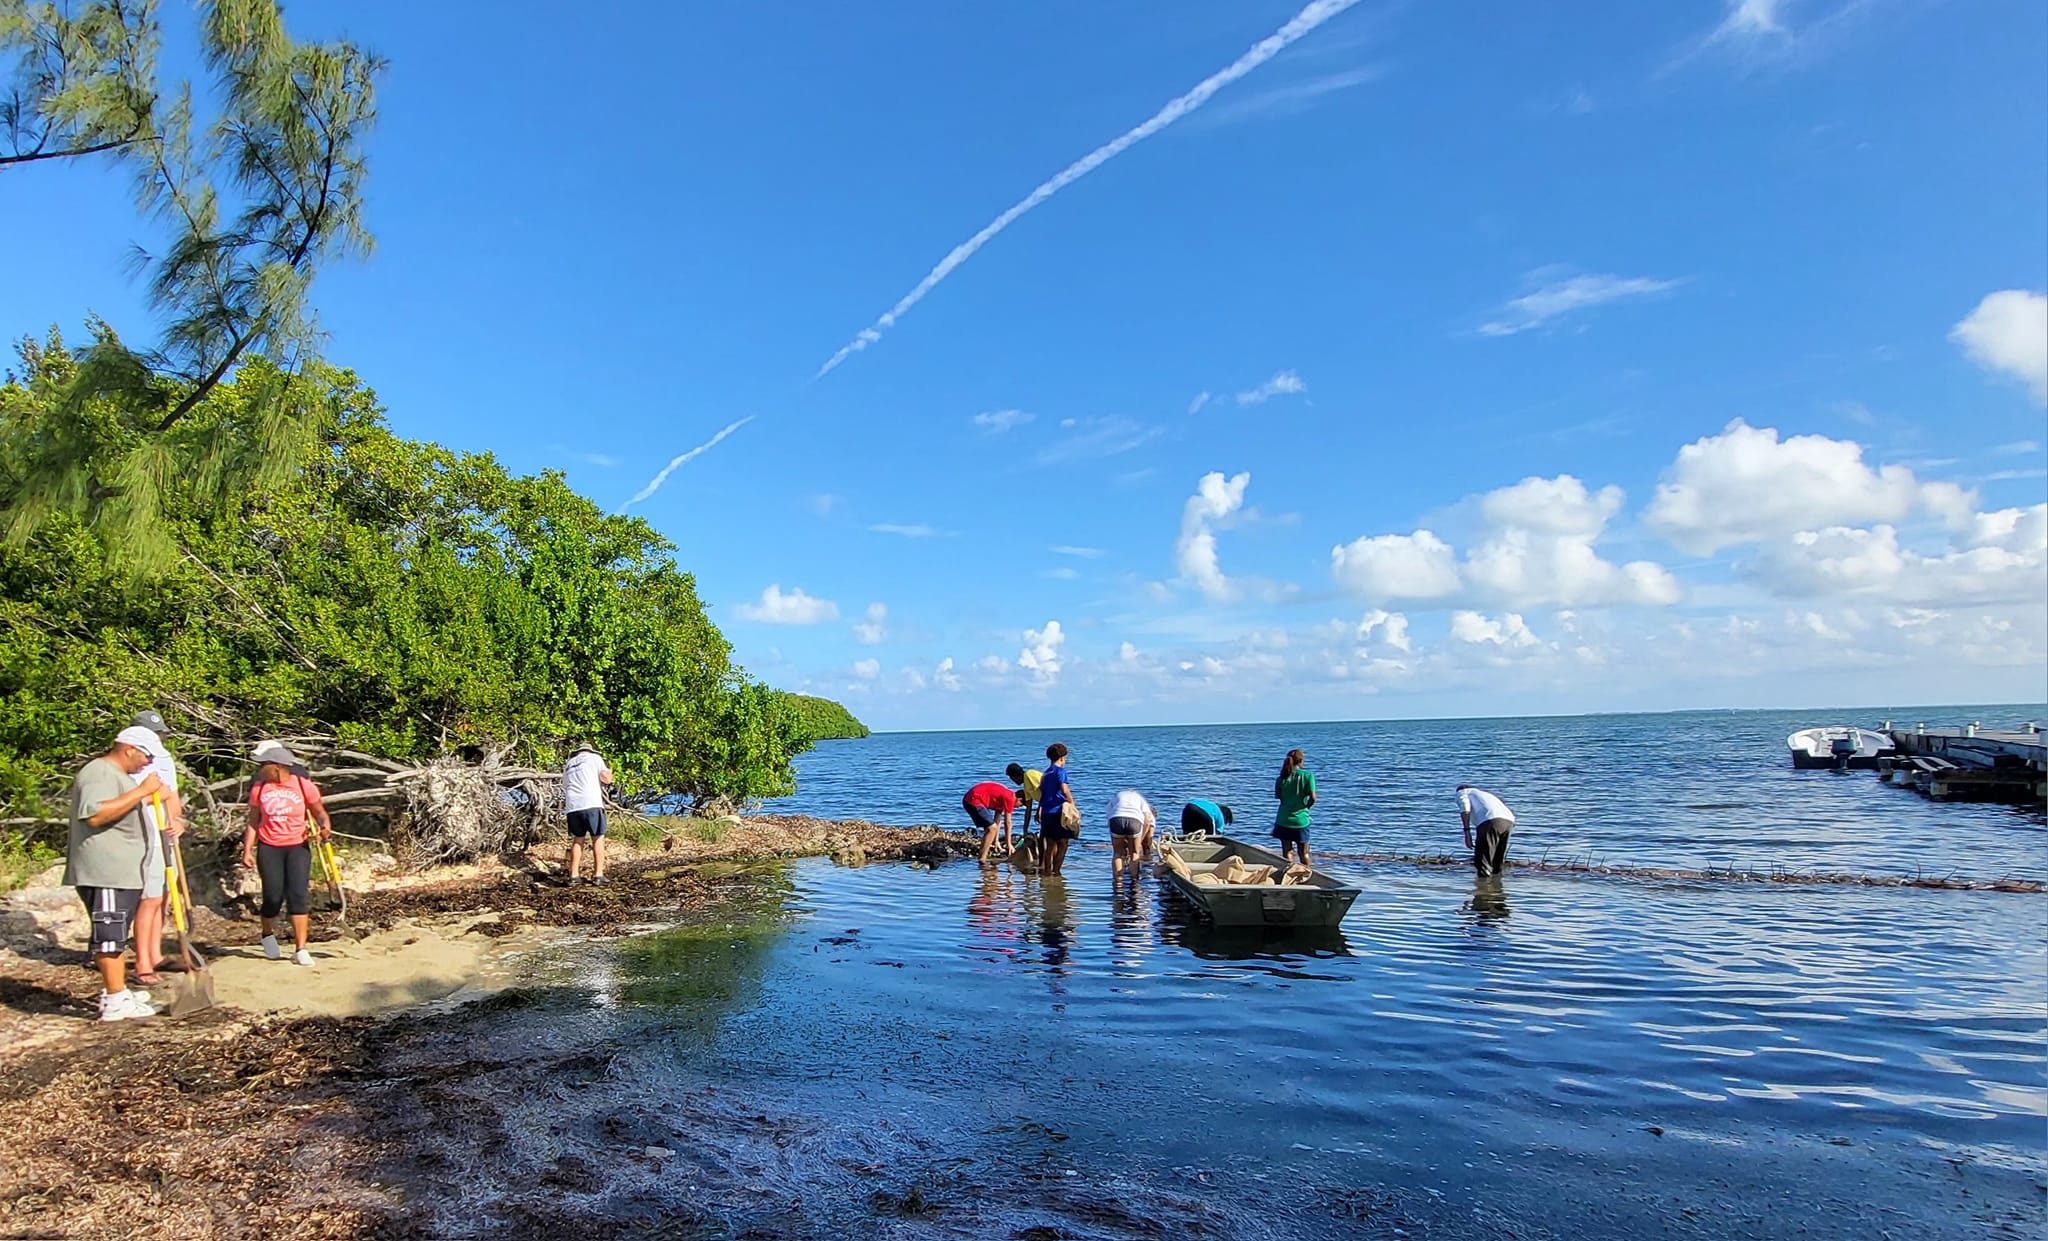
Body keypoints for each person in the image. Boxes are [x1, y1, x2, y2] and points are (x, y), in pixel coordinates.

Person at [64, 727, 166, 1021]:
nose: (148, 763)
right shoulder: (99, 772)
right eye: (146, 756)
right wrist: (142, 791)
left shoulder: (118, 776)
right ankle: (115, 1000)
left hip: (121, 872)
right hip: (106, 871)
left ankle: (117, 990)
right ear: (129, 749)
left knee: (117, 934)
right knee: (109, 937)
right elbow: (95, 814)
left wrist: (145, 798)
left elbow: (120, 809)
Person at [241, 743, 332, 965]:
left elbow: (320, 813)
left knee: (298, 895)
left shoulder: (303, 785)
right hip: (269, 847)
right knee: (272, 897)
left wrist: (324, 828)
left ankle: (300, 948)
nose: (259, 769)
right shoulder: (260, 788)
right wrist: (247, 850)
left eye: (263, 764)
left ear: (277, 766)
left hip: (297, 847)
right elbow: (253, 822)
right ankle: (267, 933)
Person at [127, 711, 184, 988]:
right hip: (143, 834)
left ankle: (155, 954)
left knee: (163, 895)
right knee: (148, 899)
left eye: (159, 733)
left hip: (165, 834)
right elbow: (129, 800)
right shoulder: (128, 763)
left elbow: (171, 794)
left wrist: (178, 820)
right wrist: (152, 797)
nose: (158, 738)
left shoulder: (163, 758)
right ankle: (143, 964)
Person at [562, 743, 615, 884]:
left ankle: (574, 875)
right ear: (590, 751)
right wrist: (610, 771)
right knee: (598, 838)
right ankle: (598, 875)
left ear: (578, 752)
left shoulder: (569, 764)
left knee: (578, 839)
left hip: (573, 806)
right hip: (591, 803)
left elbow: (565, 785)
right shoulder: (595, 758)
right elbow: (607, 779)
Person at [1457, 784, 1517, 878]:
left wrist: (1467, 832)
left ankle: (1484, 884)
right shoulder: (1485, 794)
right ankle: (1497, 883)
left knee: (1483, 861)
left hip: (1490, 821)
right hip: (1508, 821)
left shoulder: (1462, 792)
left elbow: (1465, 809)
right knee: (1497, 861)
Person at [1036, 743, 1076, 875]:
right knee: (1063, 844)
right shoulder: (1060, 771)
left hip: (1046, 813)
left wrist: (1039, 809)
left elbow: (1042, 793)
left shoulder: (1046, 773)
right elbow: (1064, 789)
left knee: (1050, 845)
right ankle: (1057, 871)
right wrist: (1072, 802)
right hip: (1058, 811)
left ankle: (1047, 872)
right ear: (1062, 757)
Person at [1273, 748, 1316, 868]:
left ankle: (1289, 873)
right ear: (1301, 761)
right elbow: (1313, 798)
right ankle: (1306, 874)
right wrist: (1306, 807)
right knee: (1304, 853)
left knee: (1287, 851)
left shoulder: (1281, 778)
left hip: (1283, 819)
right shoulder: (1308, 776)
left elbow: (1280, 798)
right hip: (1301, 819)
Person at [1104, 788, 1156, 883]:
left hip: (1117, 819)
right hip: (1134, 820)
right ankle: (1134, 881)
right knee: (1134, 854)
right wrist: (1141, 838)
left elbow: (1108, 815)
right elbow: (1148, 820)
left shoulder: (1116, 796)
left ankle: (1118, 881)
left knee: (1118, 853)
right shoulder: (1139, 798)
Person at [963, 780, 1019, 864]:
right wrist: (1009, 844)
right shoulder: (1010, 798)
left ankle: (987, 849)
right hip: (973, 800)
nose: (1017, 807)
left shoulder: (1005, 797)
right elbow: (1008, 823)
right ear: (1019, 799)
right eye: (1020, 805)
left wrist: (996, 840)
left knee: (991, 827)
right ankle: (982, 858)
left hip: (970, 799)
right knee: (992, 828)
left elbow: (997, 820)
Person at [1006, 762, 1041, 828]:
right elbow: (1028, 809)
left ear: (1016, 776)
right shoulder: (1026, 788)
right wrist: (1025, 830)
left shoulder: (1029, 774)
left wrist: (1040, 809)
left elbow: (1046, 790)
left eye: (1012, 778)